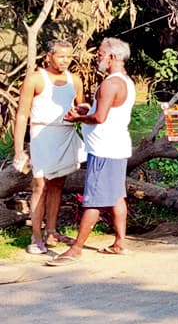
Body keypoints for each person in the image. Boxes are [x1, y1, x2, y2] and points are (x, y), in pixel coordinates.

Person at [49, 38, 136, 266]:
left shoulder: (110, 84)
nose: (97, 57)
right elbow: (104, 111)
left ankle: (76, 249)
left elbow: (100, 118)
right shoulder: (125, 81)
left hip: (104, 149)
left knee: (95, 199)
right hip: (116, 147)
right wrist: (89, 108)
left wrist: (79, 117)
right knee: (116, 196)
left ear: (112, 57)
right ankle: (119, 243)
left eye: (100, 53)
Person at [13, 40, 83, 254]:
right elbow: (22, 114)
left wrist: (81, 112)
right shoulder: (35, 78)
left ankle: (51, 231)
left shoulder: (75, 80)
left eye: (69, 57)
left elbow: (81, 108)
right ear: (49, 56)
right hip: (41, 135)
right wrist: (18, 150)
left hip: (65, 134)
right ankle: (36, 237)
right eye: (61, 56)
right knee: (40, 185)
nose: (65, 61)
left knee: (57, 184)